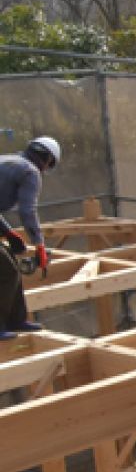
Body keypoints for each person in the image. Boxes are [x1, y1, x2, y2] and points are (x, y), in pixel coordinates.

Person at [0, 137, 60, 339]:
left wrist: (8, 232)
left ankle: (16, 320)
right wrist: (40, 246)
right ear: (47, 161)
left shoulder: (8, 161)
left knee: (10, 266)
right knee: (7, 271)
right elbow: (28, 211)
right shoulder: (30, 172)